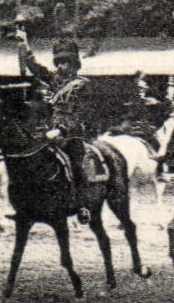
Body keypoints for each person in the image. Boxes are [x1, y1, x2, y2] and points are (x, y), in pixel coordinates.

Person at [16, 29, 111, 187]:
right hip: (48, 131)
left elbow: (81, 115)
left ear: (73, 65)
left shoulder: (83, 85)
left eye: (65, 62)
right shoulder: (54, 80)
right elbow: (35, 67)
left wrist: (61, 130)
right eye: (59, 63)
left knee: (76, 165)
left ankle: (82, 204)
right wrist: (23, 43)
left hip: (73, 134)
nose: (61, 66)